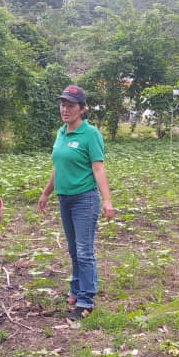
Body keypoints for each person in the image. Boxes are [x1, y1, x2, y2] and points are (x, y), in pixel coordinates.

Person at [37, 85, 115, 320]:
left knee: (84, 250)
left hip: (85, 199)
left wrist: (107, 200)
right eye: (62, 104)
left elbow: (98, 168)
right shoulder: (61, 132)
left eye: (70, 105)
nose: (65, 109)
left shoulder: (90, 134)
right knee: (73, 249)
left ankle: (86, 300)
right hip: (65, 198)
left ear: (82, 109)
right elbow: (58, 167)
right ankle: (76, 287)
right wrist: (46, 193)